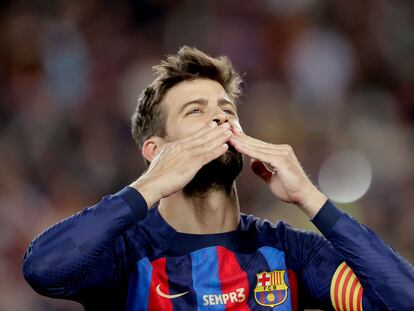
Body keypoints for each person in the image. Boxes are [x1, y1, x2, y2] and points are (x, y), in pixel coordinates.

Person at [23, 46, 414, 311]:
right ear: (155, 150)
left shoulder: (290, 253)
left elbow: (404, 299)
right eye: (195, 111)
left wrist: (312, 200)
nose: (220, 119)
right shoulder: (127, 255)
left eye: (227, 110)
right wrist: (149, 184)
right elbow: (43, 270)